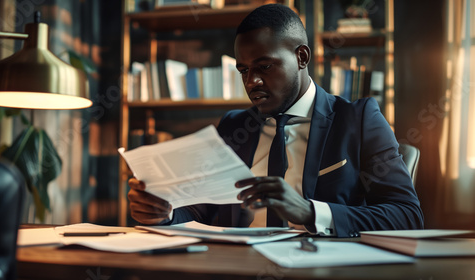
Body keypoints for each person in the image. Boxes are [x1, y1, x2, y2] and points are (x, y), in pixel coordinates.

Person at [128, 4, 424, 237]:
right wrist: (164, 213)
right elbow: (202, 210)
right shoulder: (234, 126)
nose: (252, 81)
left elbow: (407, 216)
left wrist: (310, 212)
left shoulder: (358, 119)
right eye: (243, 70)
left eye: (264, 66)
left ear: (302, 57)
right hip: (236, 268)